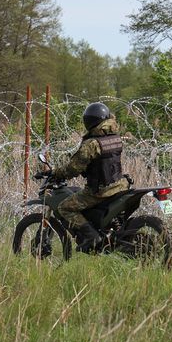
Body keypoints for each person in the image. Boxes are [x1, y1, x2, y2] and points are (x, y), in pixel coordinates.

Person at [44, 102, 128, 252]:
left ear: (90, 122)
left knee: (65, 207)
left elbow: (73, 168)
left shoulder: (92, 144)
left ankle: (92, 237)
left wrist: (56, 173)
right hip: (119, 186)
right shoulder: (115, 138)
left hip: (100, 192)